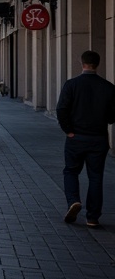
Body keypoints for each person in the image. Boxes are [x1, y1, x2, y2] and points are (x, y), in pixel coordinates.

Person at [56, 50, 115, 227]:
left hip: (76, 138)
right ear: (98, 64)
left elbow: (61, 109)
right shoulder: (108, 87)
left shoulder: (72, 85)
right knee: (96, 176)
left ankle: (73, 201)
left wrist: (68, 130)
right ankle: (92, 217)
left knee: (71, 171)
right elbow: (113, 116)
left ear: (82, 63)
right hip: (98, 138)